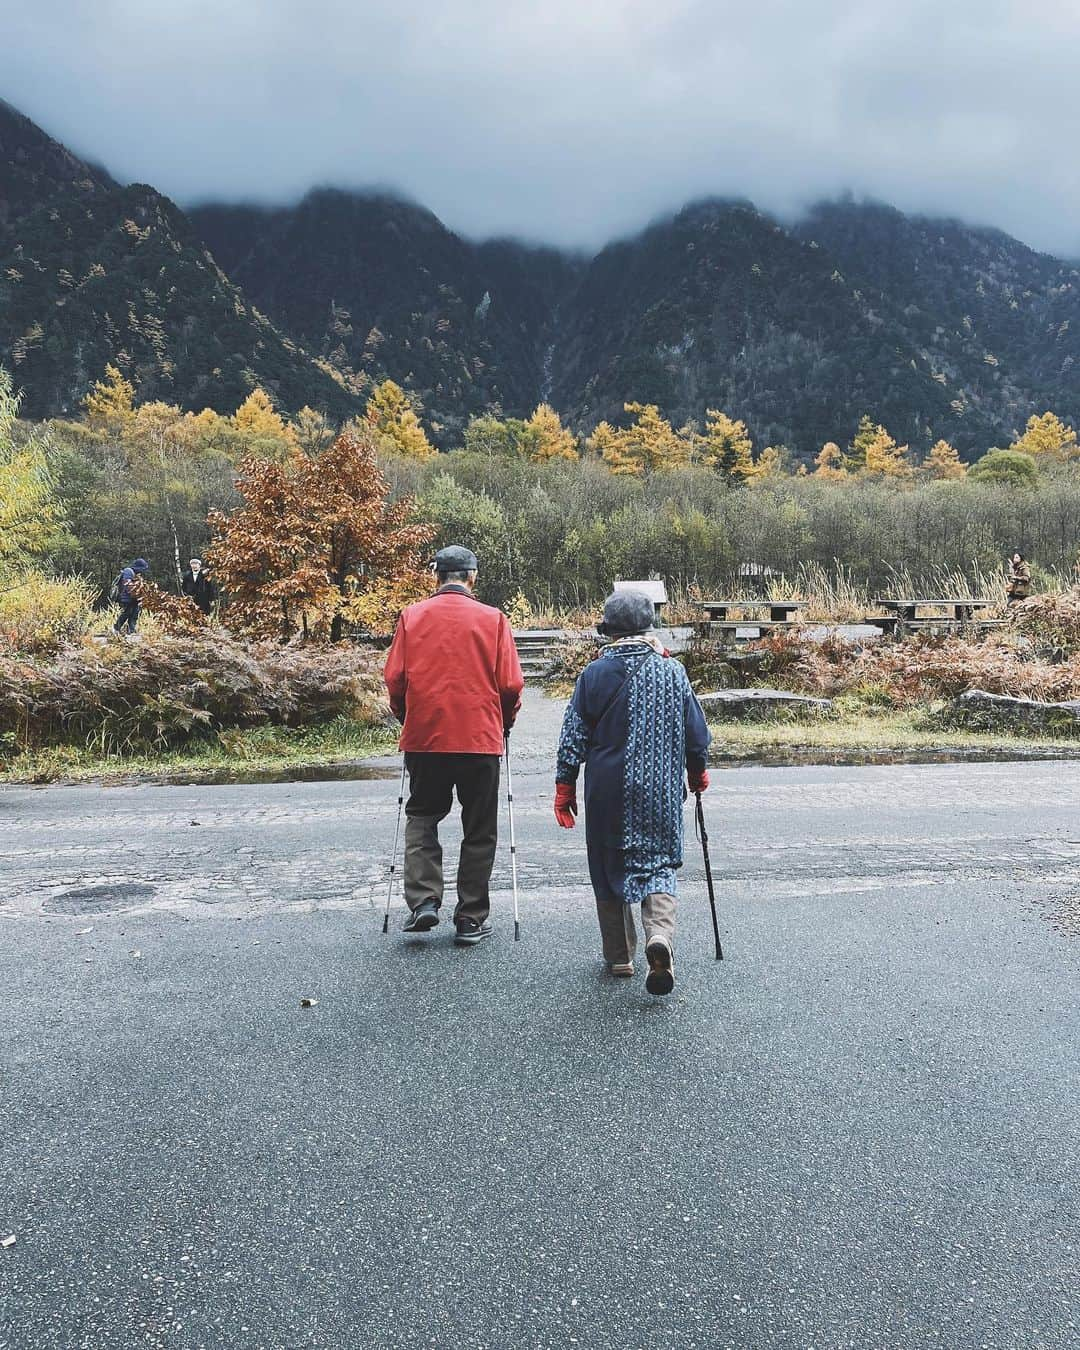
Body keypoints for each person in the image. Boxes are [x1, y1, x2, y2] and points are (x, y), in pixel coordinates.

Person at [554, 590, 711, 995]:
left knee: (608, 869)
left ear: (609, 630)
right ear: (648, 627)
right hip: (660, 789)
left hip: (607, 790)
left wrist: (564, 784)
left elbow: (574, 734)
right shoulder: (672, 672)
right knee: (658, 865)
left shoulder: (594, 674)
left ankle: (620, 956)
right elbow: (696, 735)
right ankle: (659, 935)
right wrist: (698, 774)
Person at [383, 545, 524, 945]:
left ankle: (425, 902)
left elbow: (394, 679)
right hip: (479, 738)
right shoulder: (494, 619)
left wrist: (406, 715)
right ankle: (470, 918)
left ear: (437, 577)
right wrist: (505, 721)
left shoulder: (412, 617)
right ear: (472, 577)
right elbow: (511, 684)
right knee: (479, 828)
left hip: (426, 737)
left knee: (423, 816)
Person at [112, 558, 149, 635]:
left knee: (134, 613)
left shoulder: (135, 574)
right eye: (142, 569)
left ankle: (131, 630)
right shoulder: (128, 571)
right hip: (126, 597)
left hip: (133, 598)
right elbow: (127, 585)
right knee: (127, 613)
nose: (142, 571)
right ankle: (116, 628)